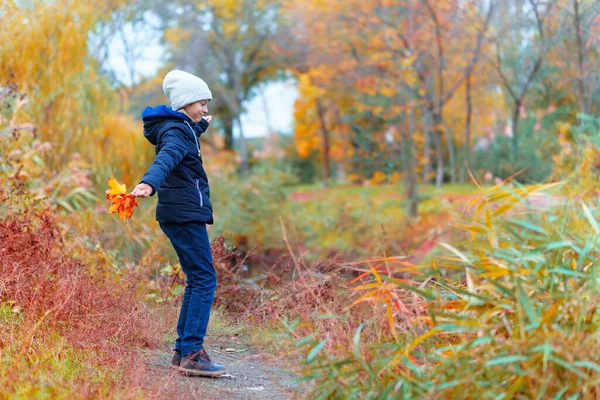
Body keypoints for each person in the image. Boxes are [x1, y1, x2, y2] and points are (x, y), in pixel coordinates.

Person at [130, 70, 225, 377]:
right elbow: (168, 157)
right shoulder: (177, 132)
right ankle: (192, 354)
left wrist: (198, 128)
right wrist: (149, 183)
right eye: (201, 104)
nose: (206, 110)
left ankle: (183, 352)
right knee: (204, 279)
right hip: (185, 213)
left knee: (197, 279)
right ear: (185, 102)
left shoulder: (182, 128)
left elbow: (182, 143)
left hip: (180, 212)